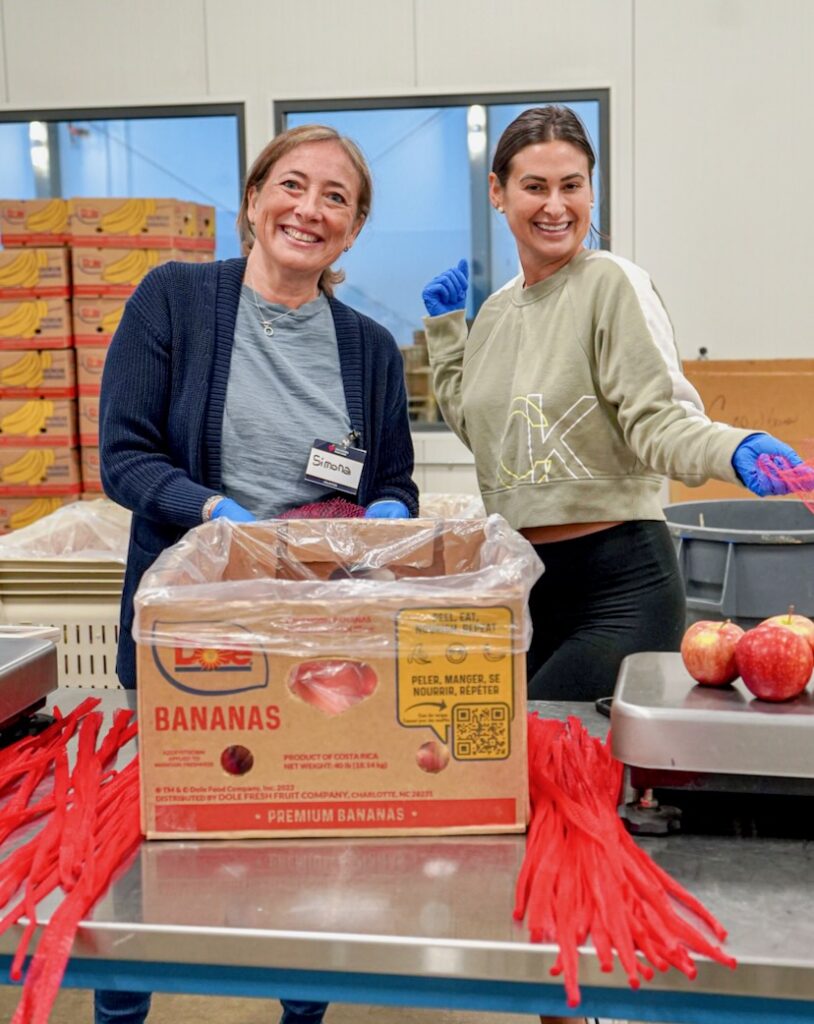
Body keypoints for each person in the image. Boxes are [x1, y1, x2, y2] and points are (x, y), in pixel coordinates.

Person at [98, 123, 418, 1024]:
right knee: (154, 846)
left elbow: (389, 479)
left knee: (307, 850)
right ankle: (121, 1011)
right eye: (291, 185)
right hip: (189, 630)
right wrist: (215, 515)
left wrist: (389, 515)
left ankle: (302, 1014)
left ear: (352, 231)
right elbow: (124, 456)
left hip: (319, 639)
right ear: (251, 201)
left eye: (335, 198)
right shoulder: (175, 301)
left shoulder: (370, 350)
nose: (308, 209)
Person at [420, 105, 812, 708]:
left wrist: (730, 447)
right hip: (525, 586)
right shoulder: (497, 312)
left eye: (571, 186)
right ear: (498, 193)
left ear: (591, 191)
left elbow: (657, 418)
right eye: (535, 186)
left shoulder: (612, 284)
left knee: (545, 754)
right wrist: (448, 335)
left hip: (620, 586)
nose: (556, 206)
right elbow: (484, 432)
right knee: (499, 764)